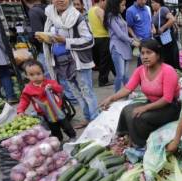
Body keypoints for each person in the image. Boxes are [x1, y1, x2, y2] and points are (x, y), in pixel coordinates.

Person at [99, 39, 180, 148]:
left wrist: (145, 108)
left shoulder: (168, 71)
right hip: (152, 103)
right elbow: (128, 89)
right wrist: (111, 98)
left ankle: (141, 143)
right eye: (142, 53)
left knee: (140, 117)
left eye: (149, 53)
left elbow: (167, 99)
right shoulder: (140, 70)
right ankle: (125, 136)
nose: (145, 56)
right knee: (127, 110)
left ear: (158, 55)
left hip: (170, 108)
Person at [39, 0, 99, 129]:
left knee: (87, 92)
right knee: (77, 94)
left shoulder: (77, 17)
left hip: (78, 62)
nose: (60, 0)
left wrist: (66, 41)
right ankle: (87, 118)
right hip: (61, 64)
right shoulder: (50, 16)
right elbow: (53, 38)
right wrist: (46, 39)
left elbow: (89, 40)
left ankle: (95, 119)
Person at [17, 60, 76, 142]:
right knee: (54, 129)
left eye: (38, 74)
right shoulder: (28, 89)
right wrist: (20, 110)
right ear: (26, 76)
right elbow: (24, 100)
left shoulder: (50, 82)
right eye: (31, 75)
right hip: (45, 113)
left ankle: (72, 137)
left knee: (66, 124)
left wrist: (52, 87)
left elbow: (60, 89)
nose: (35, 77)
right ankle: (59, 141)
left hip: (58, 110)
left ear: (43, 73)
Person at [104, 0, 140, 92]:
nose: (125, 7)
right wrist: (132, 41)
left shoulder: (118, 15)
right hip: (117, 48)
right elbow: (119, 34)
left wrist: (133, 39)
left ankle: (128, 92)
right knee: (120, 75)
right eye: (123, 5)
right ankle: (117, 96)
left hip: (125, 47)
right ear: (115, 5)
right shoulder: (110, 17)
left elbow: (124, 32)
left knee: (125, 75)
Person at [88, 0, 117, 87]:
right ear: (102, 1)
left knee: (109, 59)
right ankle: (103, 80)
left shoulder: (90, 10)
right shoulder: (99, 10)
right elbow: (105, 24)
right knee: (105, 61)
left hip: (95, 38)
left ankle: (118, 74)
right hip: (103, 38)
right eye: (106, 2)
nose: (107, 4)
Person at [151, 0, 180, 69]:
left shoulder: (163, 9)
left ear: (158, 3)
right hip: (160, 41)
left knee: (170, 58)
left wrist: (163, 28)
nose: (151, 4)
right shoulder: (154, 13)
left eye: (153, 2)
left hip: (167, 40)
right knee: (164, 59)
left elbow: (172, 19)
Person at [126, 0, 154, 65]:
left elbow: (150, 21)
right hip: (140, 42)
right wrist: (134, 37)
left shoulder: (147, 8)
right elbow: (128, 26)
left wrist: (153, 28)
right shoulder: (130, 10)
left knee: (150, 63)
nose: (144, 2)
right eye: (142, 0)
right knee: (142, 63)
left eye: (145, 0)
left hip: (150, 40)